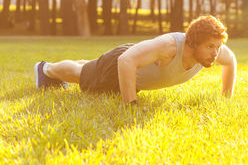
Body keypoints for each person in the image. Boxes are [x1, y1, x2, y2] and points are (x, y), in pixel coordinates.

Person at [34, 15, 237, 105]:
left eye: (217, 47)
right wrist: (130, 104)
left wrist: (225, 99)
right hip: (119, 64)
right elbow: (125, 61)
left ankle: (58, 68)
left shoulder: (213, 50)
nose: (215, 52)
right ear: (193, 43)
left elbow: (231, 61)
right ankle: (46, 69)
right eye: (210, 47)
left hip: (132, 64)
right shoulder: (170, 46)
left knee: (89, 66)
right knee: (81, 75)